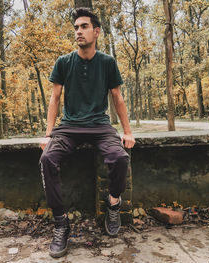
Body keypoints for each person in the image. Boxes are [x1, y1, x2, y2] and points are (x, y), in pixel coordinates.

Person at [39, 7, 135, 258]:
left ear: (96, 31)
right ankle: (61, 223)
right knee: (47, 158)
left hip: (100, 126)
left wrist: (127, 131)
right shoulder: (63, 62)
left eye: (83, 27)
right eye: (76, 28)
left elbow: (117, 97)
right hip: (69, 127)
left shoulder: (107, 62)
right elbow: (55, 98)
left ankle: (113, 204)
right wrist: (48, 135)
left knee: (120, 158)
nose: (78, 32)